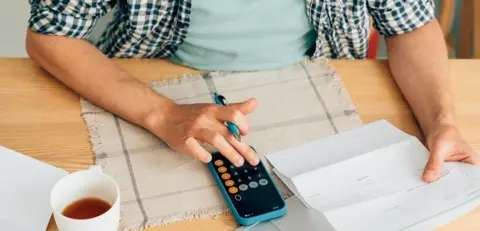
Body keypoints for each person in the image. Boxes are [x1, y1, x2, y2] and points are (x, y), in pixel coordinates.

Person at [26, 0, 479, 183]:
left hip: (320, 87)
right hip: (153, 89)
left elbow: (411, 25)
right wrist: (162, 115)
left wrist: (442, 122)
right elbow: (49, 35)